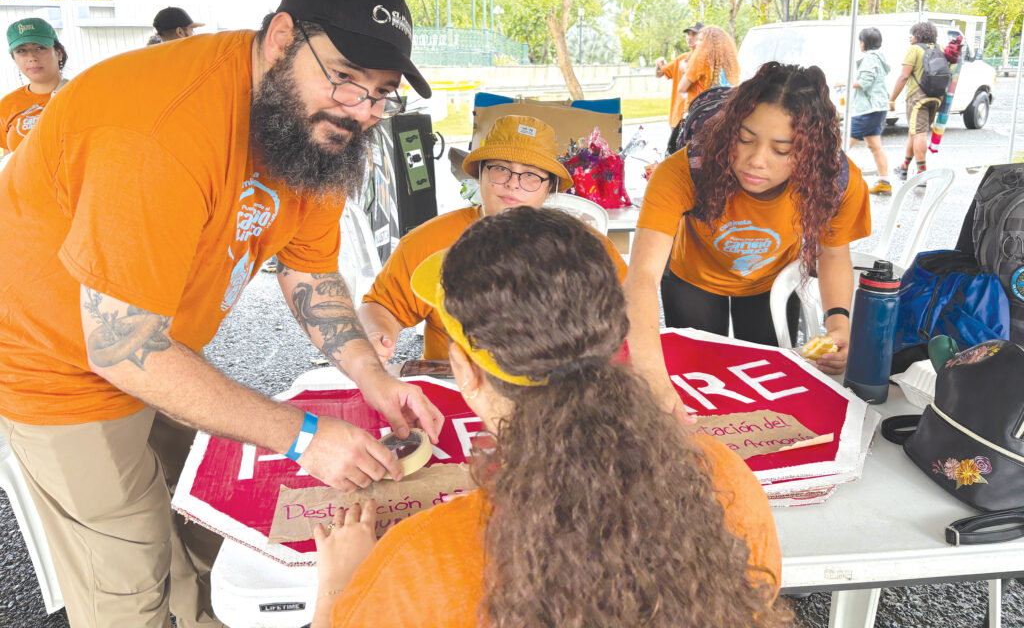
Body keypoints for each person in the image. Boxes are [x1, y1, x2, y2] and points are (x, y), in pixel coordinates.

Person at [0, 0, 445, 628]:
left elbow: (312, 275)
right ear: (282, 37)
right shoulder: (159, 130)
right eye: (346, 79)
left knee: (204, 521)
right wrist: (304, 437)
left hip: (162, 345)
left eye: (381, 94)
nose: (361, 112)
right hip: (56, 369)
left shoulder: (315, 131)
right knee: (129, 583)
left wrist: (373, 377)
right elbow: (119, 348)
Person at [312, 207, 789, 628]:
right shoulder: (726, 481)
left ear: (463, 370)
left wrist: (339, 586)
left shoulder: (419, 560)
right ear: (614, 339)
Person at [624, 62, 870, 413]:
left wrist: (839, 325)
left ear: (811, 153)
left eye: (782, 150)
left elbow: (832, 256)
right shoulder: (682, 171)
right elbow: (642, 277)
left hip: (770, 283)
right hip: (692, 278)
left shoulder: (835, 181)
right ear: (729, 131)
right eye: (745, 139)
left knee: (764, 388)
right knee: (697, 384)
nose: (756, 161)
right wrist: (651, 373)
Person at [358, 114, 628, 363]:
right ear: (481, 174)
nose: (513, 183)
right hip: (455, 390)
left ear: (549, 188)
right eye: (501, 169)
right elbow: (382, 306)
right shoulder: (428, 241)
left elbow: (631, 309)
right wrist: (378, 336)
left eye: (531, 175)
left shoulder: (586, 247)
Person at [1, 17, 69, 154]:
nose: (32, 57)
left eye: (40, 48)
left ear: (59, 53)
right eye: (21, 51)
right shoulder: (7, 105)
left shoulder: (81, 94)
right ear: (14, 59)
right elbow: (9, 162)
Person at [890, 21, 942, 179]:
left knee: (918, 134)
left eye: (912, 34)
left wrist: (892, 99)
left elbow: (904, 76)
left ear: (918, 35)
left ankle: (921, 174)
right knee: (913, 132)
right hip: (937, 97)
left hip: (918, 98)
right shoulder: (939, 49)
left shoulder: (914, 50)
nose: (910, 37)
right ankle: (904, 167)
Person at [844, 27, 892, 195]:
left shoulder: (870, 58)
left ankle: (827, 178)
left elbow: (865, 82)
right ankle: (884, 182)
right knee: (874, 145)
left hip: (868, 109)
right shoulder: (879, 57)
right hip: (878, 107)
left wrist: (844, 83)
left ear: (863, 43)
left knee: (843, 144)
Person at [654, 20, 703, 128]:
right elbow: (660, 73)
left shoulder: (705, 61)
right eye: (688, 34)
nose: (689, 37)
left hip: (695, 119)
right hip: (677, 119)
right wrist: (658, 65)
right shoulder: (682, 58)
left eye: (694, 34)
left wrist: (686, 70)